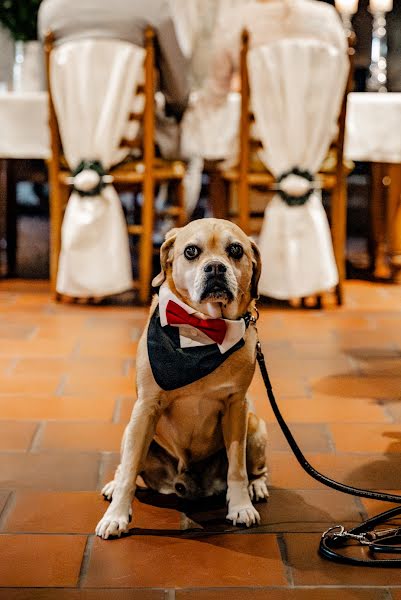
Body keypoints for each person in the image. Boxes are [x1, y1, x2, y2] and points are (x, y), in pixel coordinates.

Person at [38, 0, 190, 158]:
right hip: (137, 148)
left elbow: (46, 90)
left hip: (70, 149)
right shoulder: (153, 7)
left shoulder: (51, 11)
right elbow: (178, 93)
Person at [204, 0, 347, 107]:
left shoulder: (235, 20)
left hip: (255, 135)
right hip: (320, 135)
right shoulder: (327, 17)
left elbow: (217, 90)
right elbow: (342, 75)